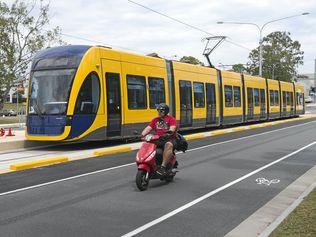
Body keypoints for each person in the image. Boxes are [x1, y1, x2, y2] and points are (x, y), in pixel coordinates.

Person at [141, 103, 177, 176]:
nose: (159, 113)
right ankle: (151, 164)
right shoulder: (155, 120)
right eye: (158, 111)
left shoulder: (171, 119)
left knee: (168, 145)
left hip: (169, 139)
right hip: (159, 139)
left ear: (166, 112)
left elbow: (172, 128)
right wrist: (142, 135)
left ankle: (163, 167)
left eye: (161, 111)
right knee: (148, 145)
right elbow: (148, 129)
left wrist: (168, 133)